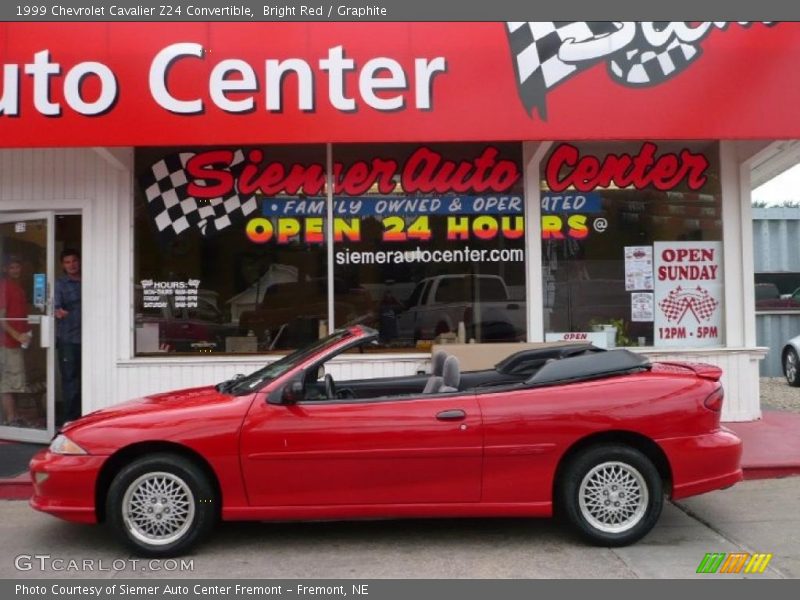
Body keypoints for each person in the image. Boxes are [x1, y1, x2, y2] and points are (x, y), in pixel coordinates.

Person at [0, 255, 32, 426]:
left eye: (17, 267)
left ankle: (15, 418)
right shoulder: (4, 287)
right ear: (5, 269)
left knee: (16, 381)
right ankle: (11, 420)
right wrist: (16, 335)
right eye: (11, 267)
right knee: (7, 382)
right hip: (7, 343)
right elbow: (1, 318)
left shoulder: (18, 287)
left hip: (17, 342)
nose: (15, 270)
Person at [54, 248, 82, 423]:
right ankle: (70, 420)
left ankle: (86, 417)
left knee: (89, 378)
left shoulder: (90, 279)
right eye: (67, 262)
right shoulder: (60, 284)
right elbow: (55, 307)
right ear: (62, 265)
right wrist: (58, 312)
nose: (71, 265)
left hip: (92, 338)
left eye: (74, 261)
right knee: (70, 380)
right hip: (68, 339)